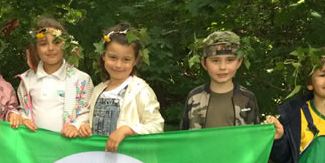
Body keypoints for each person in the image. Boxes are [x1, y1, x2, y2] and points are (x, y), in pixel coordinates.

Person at [79, 22, 163, 152]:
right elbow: (90, 120)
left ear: (135, 60)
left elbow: (156, 126)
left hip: (129, 162)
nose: (118, 65)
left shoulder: (140, 90)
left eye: (126, 59)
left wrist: (127, 130)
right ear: (103, 56)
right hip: (99, 161)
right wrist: (84, 126)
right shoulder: (97, 91)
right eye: (113, 57)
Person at [16, 17, 94, 137]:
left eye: (56, 42)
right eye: (43, 44)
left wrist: (75, 125)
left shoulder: (81, 79)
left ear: (66, 45)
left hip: (68, 147)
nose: (51, 48)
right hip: (35, 146)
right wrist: (24, 118)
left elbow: (87, 111)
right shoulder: (27, 79)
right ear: (35, 49)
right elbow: (22, 108)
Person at [180, 30, 260, 129]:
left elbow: (256, 138)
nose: (222, 67)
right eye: (215, 60)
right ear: (204, 63)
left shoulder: (247, 98)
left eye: (230, 60)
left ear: (239, 62)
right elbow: (184, 137)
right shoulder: (194, 97)